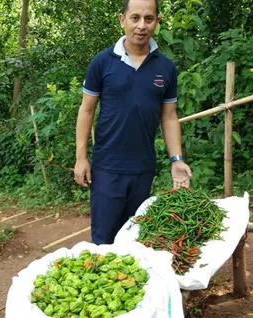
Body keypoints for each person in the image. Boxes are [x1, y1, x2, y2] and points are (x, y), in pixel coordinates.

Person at [74, 0, 192, 245]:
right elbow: (86, 111)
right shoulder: (102, 62)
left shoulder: (166, 68)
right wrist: (81, 157)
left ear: (157, 22)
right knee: (103, 240)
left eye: (149, 19)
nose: (141, 26)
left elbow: (169, 116)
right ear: (122, 20)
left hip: (143, 168)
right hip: (107, 168)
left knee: (136, 238)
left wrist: (177, 159)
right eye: (135, 18)